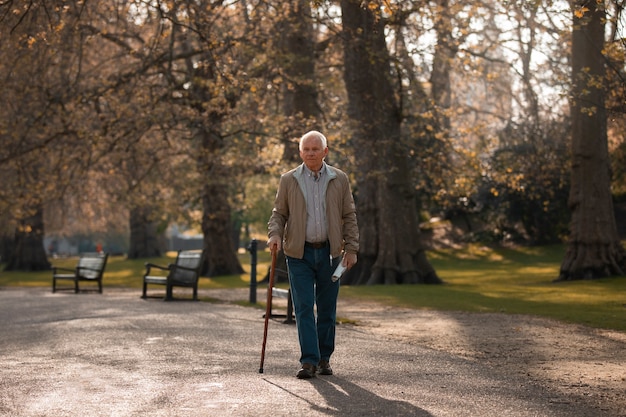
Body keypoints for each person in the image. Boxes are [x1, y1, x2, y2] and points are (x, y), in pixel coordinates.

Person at [267, 130, 359, 379]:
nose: (310, 153)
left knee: (327, 309)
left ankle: (324, 358)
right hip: (299, 254)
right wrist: (274, 235)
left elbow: (349, 215)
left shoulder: (339, 179)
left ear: (325, 152)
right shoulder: (289, 179)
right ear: (300, 153)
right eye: (306, 149)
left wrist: (351, 248)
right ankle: (308, 360)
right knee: (304, 307)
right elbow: (279, 213)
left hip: (331, 254)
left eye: (315, 149)